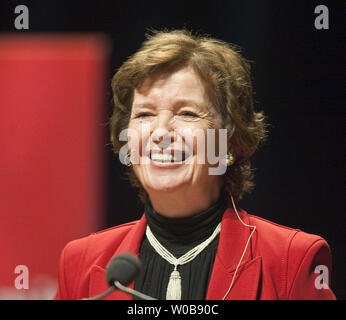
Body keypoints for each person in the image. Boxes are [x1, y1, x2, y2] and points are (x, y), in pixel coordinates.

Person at [53, 29, 336, 300]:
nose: (160, 132)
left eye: (187, 113)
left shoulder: (291, 260)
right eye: (144, 114)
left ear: (230, 143)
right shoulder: (81, 262)